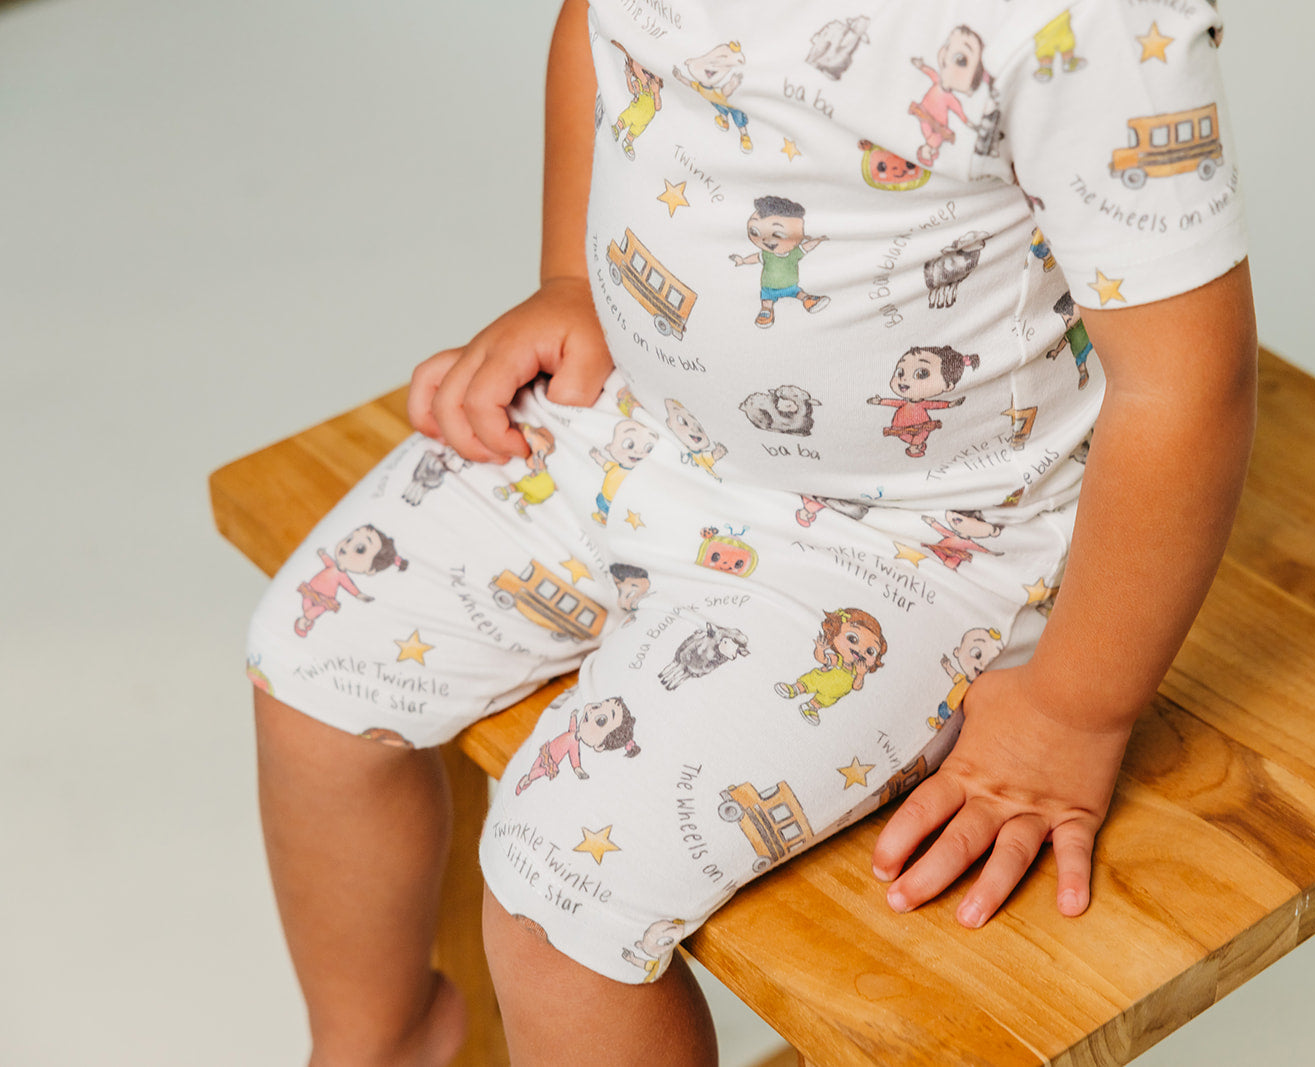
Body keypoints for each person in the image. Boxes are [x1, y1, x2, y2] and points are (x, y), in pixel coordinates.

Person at [245, 1, 1256, 1063]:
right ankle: (381, 1041)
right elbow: (601, 27)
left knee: (561, 900)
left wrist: (1073, 711)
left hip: (916, 541)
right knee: (308, 662)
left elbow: (1185, 384)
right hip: (638, 422)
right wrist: (571, 283)